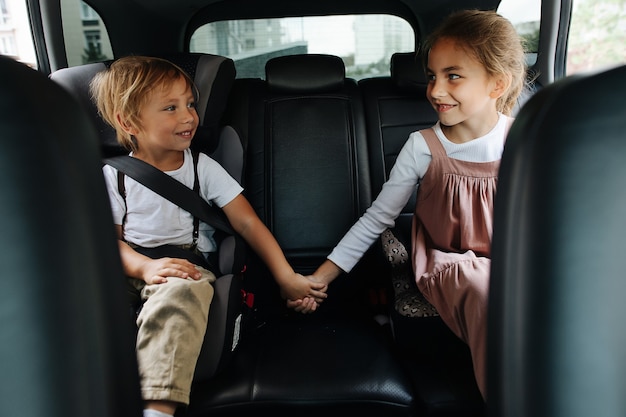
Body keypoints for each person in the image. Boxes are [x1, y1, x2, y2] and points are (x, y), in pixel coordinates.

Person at [289, 9, 527, 399]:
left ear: (496, 83)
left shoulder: (523, 139)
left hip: (511, 258)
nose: (435, 90)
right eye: (432, 76)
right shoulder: (424, 147)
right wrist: (319, 279)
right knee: (485, 286)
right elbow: (376, 219)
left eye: (454, 76)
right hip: (448, 263)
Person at [91, 55, 328, 417]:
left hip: (186, 268)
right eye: (170, 108)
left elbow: (247, 223)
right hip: (131, 266)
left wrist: (285, 277)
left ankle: (157, 407)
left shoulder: (203, 168)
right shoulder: (114, 177)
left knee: (182, 292)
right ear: (128, 122)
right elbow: (110, 243)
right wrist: (143, 268)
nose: (188, 117)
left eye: (190, 104)